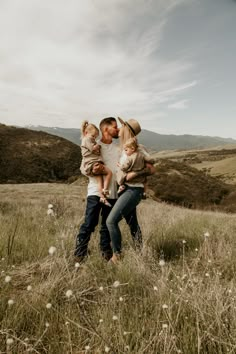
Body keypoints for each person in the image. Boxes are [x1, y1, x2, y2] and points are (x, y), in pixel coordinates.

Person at [74, 117, 154, 263]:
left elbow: (130, 165)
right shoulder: (95, 147)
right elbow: (83, 167)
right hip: (95, 191)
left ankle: (106, 254)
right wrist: (92, 169)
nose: (117, 129)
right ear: (105, 129)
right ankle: (79, 254)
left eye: (119, 127)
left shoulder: (119, 149)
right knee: (90, 223)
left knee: (106, 225)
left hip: (113, 193)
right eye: (115, 127)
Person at [106, 117, 155, 264]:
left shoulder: (139, 148)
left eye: (122, 126)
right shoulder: (124, 148)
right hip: (126, 189)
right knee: (133, 223)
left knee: (111, 221)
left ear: (127, 130)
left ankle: (117, 256)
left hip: (133, 190)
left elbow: (152, 169)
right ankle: (141, 253)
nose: (119, 129)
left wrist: (135, 174)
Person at [80, 120, 112, 206]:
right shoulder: (87, 139)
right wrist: (97, 146)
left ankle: (102, 197)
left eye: (95, 137)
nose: (94, 138)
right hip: (93, 163)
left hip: (91, 164)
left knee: (99, 181)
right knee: (109, 173)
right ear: (86, 132)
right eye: (93, 136)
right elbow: (93, 149)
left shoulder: (87, 139)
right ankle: (105, 190)